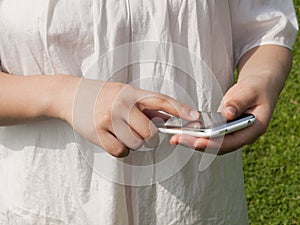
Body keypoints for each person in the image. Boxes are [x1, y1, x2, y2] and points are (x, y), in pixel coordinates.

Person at [0, 0, 298, 224]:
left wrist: (260, 79)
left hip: (195, 204)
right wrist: (63, 96)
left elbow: (265, 26)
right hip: (52, 202)